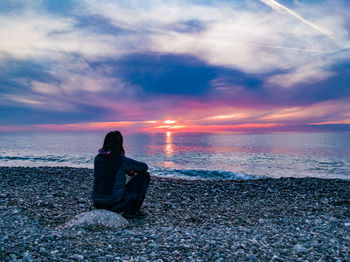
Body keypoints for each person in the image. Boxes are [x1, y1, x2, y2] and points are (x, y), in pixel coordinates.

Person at [91, 131, 150, 219]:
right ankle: (132, 211)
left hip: (97, 202)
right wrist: (130, 170)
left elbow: (109, 169)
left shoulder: (98, 158)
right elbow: (144, 167)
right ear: (119, 144)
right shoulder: (121, 160)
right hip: (112, 203)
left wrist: (127, 170)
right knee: (145, 176)